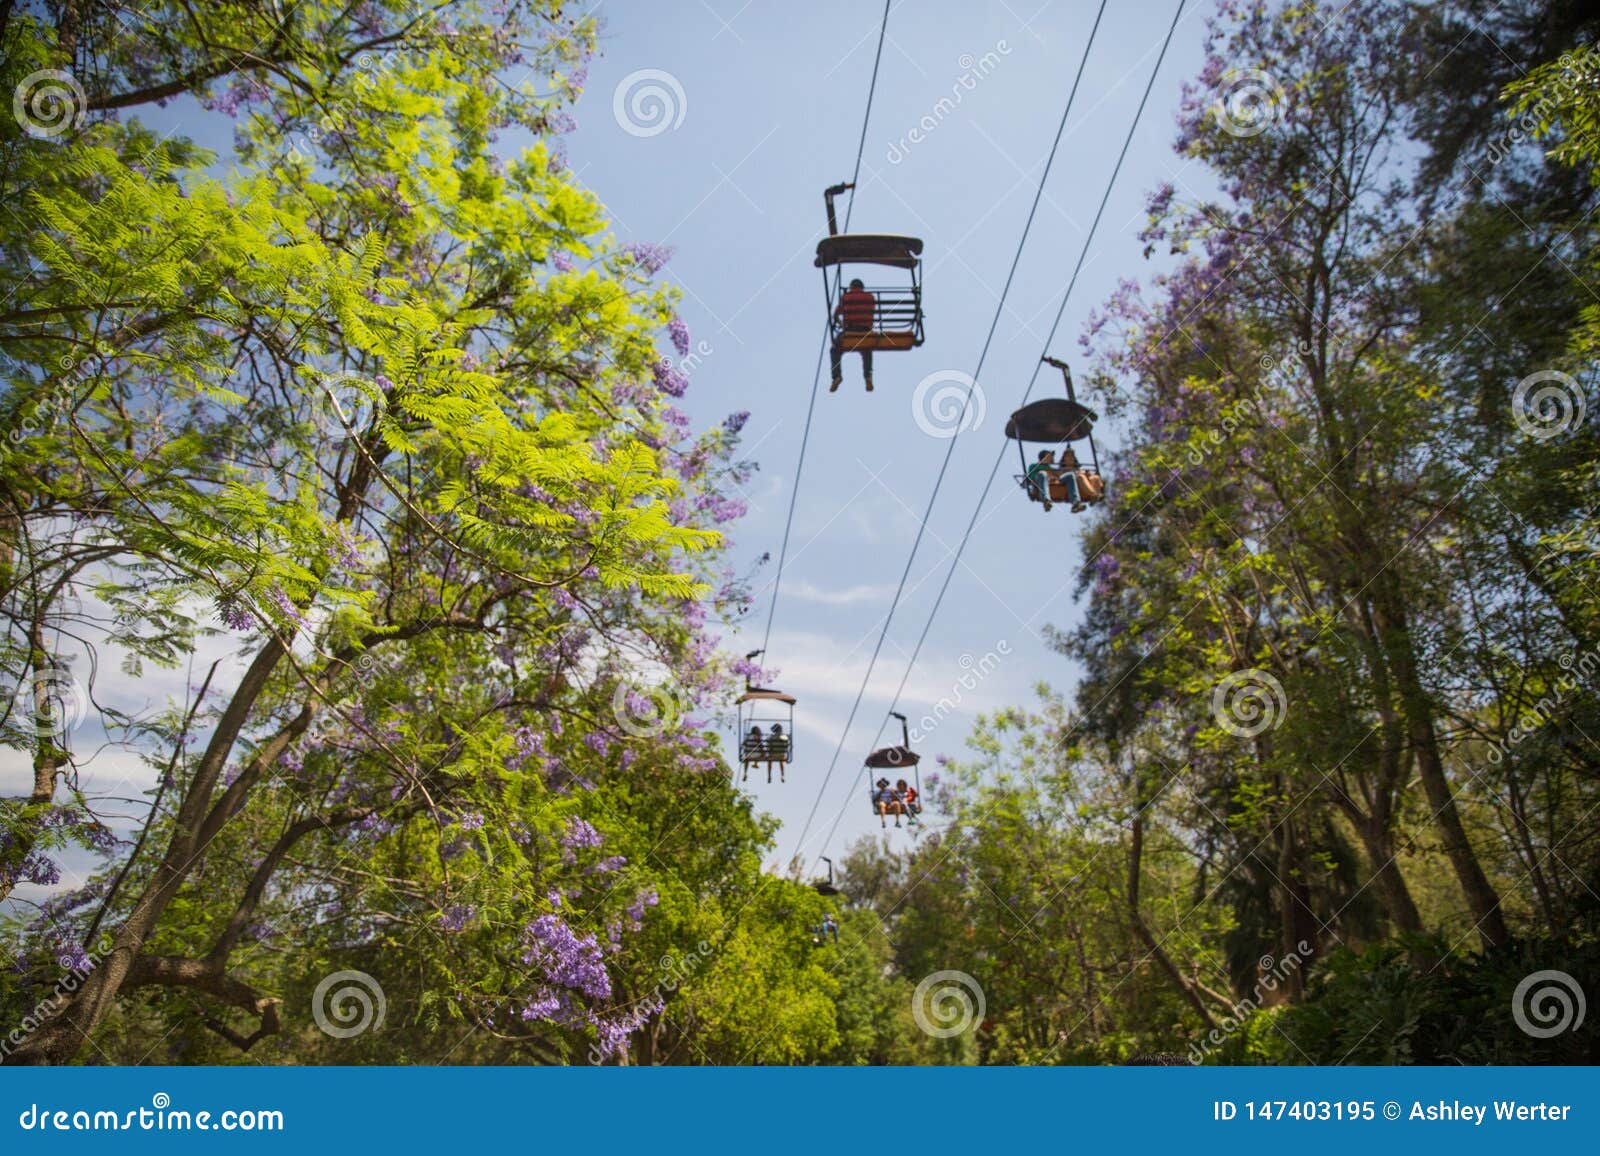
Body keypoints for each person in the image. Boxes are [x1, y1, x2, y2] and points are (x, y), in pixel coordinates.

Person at [830, 278, 876, 393]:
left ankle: (837, 376)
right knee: (867, 349)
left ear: (851, 287)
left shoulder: (846, 297)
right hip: (865, 332)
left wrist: (842, 324)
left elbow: (836, 315)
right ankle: (868, 375)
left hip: (850, 332)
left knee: (835, 349)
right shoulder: (870, 297)